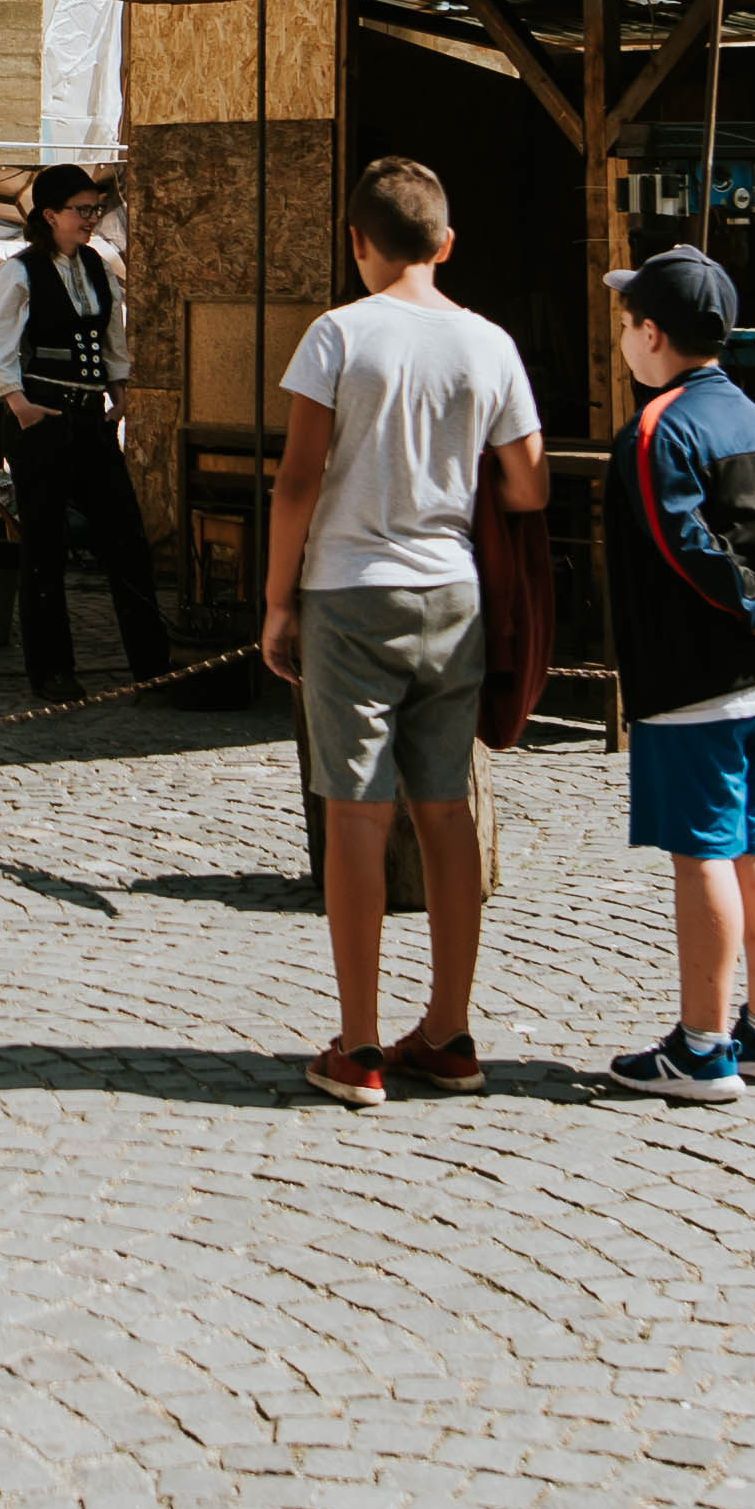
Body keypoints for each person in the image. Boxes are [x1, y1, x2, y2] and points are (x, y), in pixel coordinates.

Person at [263, 160, 545, 1105]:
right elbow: (528, 485)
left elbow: (299, 478)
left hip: (350, 590)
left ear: (357, 243)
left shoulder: (337, 334)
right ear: (447, 243)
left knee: (355, 811)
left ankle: (359, 1043)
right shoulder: (491, 344)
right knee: (446, 808)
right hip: (451, 591)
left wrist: (275, 600)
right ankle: (452, 1030)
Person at [594, 247, 755, 1102]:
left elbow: (684, 546)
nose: (624, 338)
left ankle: (702, 1048)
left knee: (702, 854)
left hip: (694, 676)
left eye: (628, 324)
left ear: (652, 334)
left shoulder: (657, 429)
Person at [0, 164, 166, 708]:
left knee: (127, 538)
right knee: (45, 544)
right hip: (41, 418)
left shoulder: (98, 267)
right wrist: (19, 406)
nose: (91, 219)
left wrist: (120, 388)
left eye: (94, 210)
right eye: (82, 210)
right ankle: (52, 670)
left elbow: (112, 333)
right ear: (50, 215)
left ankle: (152, 665)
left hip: (90, 420)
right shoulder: (18, 274)